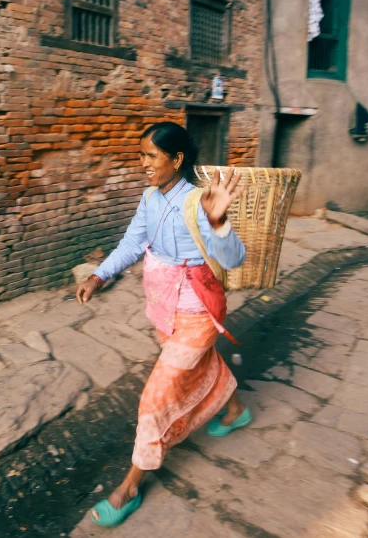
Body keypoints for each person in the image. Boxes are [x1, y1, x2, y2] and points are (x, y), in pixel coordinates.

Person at [76, 122, 252, 527]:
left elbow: (234, 258)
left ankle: (130, 487)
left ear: (176, 159)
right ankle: (236, 410)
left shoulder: (199, 201)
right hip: (161, 306)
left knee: (156, 399)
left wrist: (220, 221)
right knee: (199, 366)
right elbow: (133, 243)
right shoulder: (149, 197)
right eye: (141, 155)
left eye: (150, 156)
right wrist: (99, 276)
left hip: (196, 312)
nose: (143, 164)